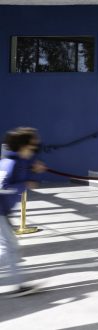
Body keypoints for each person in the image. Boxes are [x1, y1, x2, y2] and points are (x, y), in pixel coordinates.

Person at [0, 127, 46, 297]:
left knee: (10, 248)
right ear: (23, 146)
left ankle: (20, 285)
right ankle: (20, 285)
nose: (35, 148)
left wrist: (34, 172)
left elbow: (25, 175)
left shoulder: (18, 161)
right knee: (11, 248)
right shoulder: (9, 163)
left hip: (3, 211)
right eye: (33, 146)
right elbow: (1, 186)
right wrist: (24, 184)